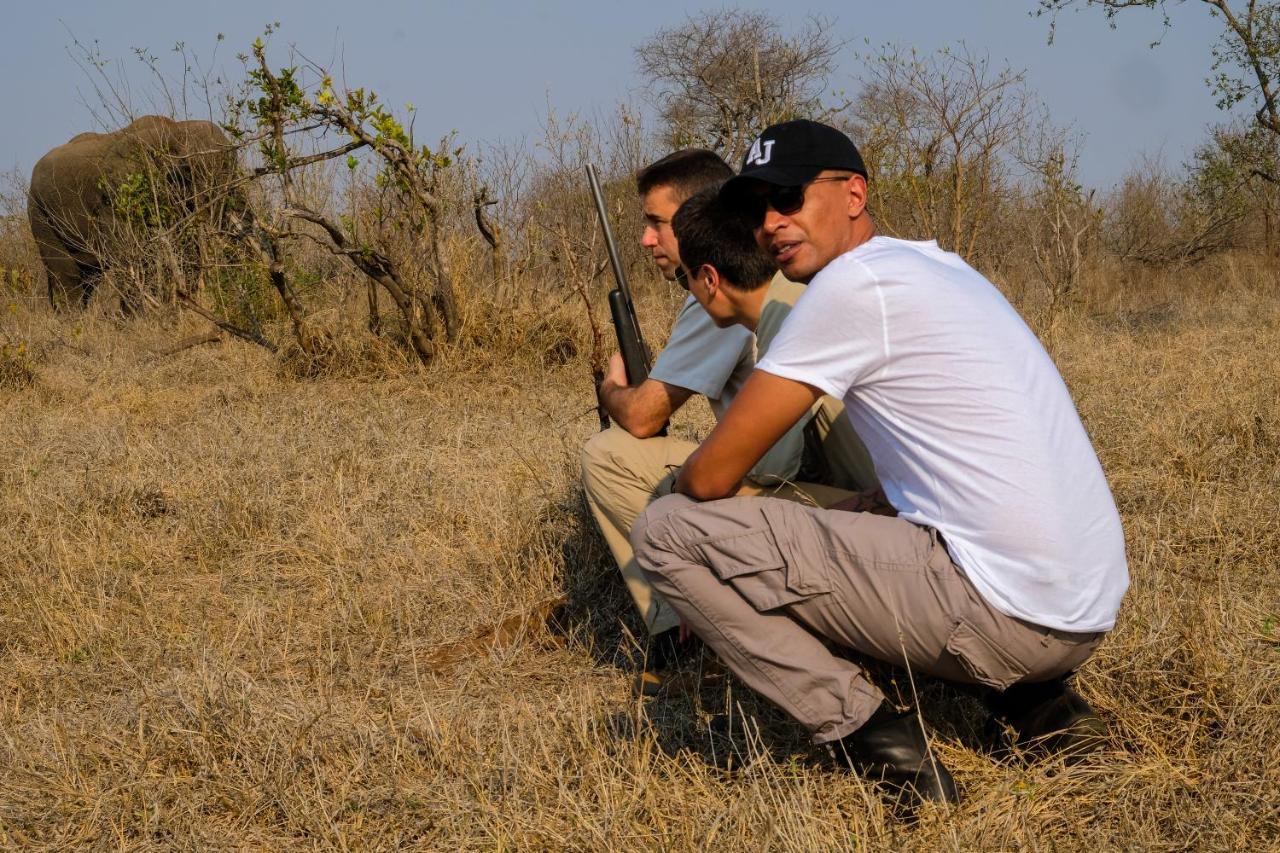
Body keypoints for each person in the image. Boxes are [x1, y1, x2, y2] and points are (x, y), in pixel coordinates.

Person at [630, 120, 1129, 807]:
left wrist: (691, 485)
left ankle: (876, 740)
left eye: (790, 198)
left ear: (854, 192)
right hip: (1083, 608)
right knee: (849, 512)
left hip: (1009, 616)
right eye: (757, 209)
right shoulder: (935, 265)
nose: (772, 223)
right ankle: (1037, 707)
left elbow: (711, 477)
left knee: (665, 528)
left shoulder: (847, 289)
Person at [581, 150, 877, 694]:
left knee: (618, 461)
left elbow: (654, 422)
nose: (647, 240)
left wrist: (611, 392)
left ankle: (686, 629)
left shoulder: (755, 304)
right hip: (866, 500)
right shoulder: (814, 281)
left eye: (657, 223)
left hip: (864, 514)